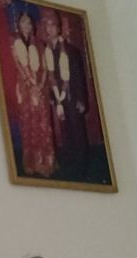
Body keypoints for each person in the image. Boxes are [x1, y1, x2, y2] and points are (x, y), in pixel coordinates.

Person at [42, 10, 89, 180]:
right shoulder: (47, 52)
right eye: (47, 26)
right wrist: (52, 97)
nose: (49, 29)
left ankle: (82, 166)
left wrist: (81, 100)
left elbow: (79, 77)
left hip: (72, 97)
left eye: (52, 25)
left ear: (59, 28)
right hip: (59, 100)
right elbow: (50, 77)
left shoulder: (70, 50)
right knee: (66, 131)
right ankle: (70, 160)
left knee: (77, 131)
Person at [11, 13, 56, 178]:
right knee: (30, 122)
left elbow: (45, 67)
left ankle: (46, 162)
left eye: (29, 23)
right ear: (19, 25)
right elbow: (19, 66)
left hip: (40, 88)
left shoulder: (39, 44)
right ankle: (32, 162)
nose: (27, 25)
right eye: (24, 22)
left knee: (43, 122)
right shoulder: (15, 43)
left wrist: (41, 85)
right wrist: (31, 85)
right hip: (26, 88)